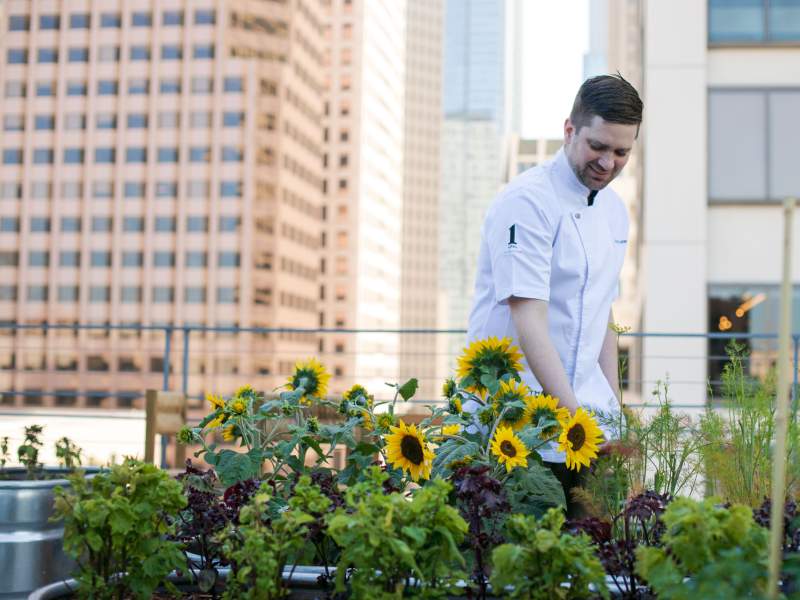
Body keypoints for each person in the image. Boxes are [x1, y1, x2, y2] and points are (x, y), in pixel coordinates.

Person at [465, 74, 643, 515]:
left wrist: (612, 412)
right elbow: (530, 322)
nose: (608, 162)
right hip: (519, 423)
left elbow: (603, 315)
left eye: (622, 152)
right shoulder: (526, 203)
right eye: (598, 147)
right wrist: (576, 421)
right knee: (520, 565)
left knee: (592, 562)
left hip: (585, 422)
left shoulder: (616, 212)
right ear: (569, 130)